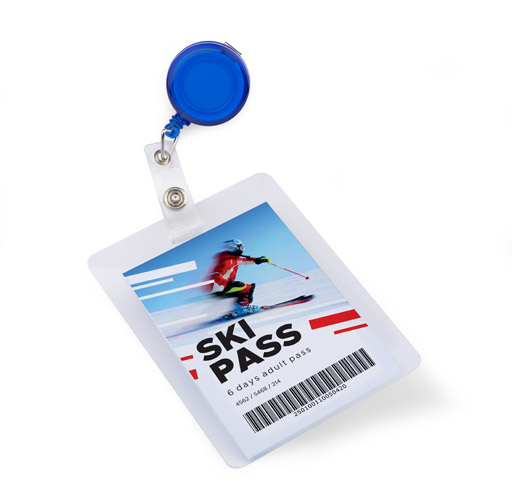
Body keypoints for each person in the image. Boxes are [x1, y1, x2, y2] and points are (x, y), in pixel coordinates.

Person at [206, 239, 270, 317]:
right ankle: (242, 309)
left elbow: (245, 260)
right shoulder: (226, 261)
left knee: (243, 291)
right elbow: (216, 277)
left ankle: (235, 310)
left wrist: (258, 260)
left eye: (243, 248)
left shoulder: (233, 259)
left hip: (223, 286)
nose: (242, 250)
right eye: (241, 248)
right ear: (233, 248)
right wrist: (228, 284)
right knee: (247, 288)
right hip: (219, 288)